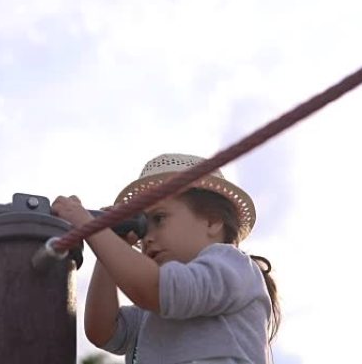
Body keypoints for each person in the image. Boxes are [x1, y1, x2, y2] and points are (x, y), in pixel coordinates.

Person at [52, 153, 280, 364]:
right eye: (142, 228)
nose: (147, 237)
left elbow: (152, 288)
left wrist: (91, 226)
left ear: (212, 221)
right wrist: (112, 241)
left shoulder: (232, 264)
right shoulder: (151, 313)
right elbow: (101, 330)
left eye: (159, 219)